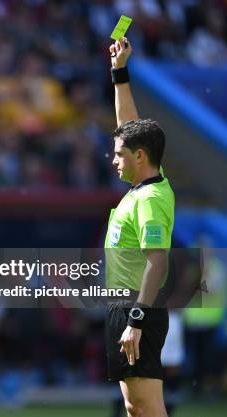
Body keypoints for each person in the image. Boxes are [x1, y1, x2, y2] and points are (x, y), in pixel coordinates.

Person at [105, 38, 174, 417]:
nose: (114, 159)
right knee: (135, 408)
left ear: (140, 156)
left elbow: (158, 263)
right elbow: (129, 127)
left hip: (137, 307)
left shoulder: (149, 200)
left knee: (147, 407)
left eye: (119, 154)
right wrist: (119, 73)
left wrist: (136, 319)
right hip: (126, 305)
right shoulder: (146, 182)